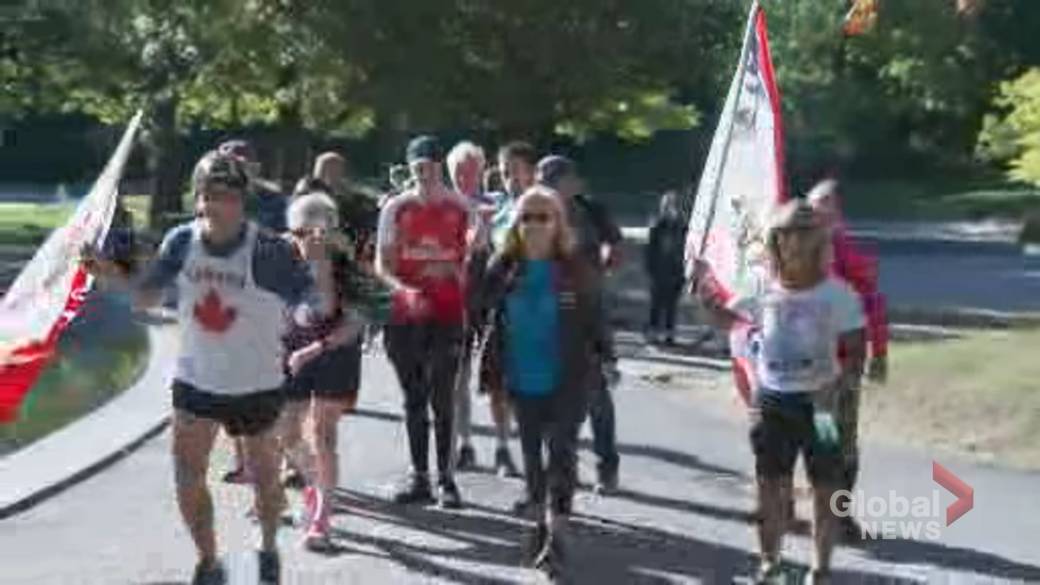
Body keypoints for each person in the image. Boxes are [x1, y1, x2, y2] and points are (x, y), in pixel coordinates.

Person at [81, 150, 336, 585]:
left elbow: (316, 307)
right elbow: (147, 296)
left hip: (256, 382)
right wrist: (108, 273)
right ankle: (209, 561)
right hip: (196, 379)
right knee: (186, 474)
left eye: (228, 195)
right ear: (198, 197)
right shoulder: (182, 241)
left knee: (265, 478)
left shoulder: (269, 251)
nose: (218, 205)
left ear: (242, 200)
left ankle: (268, 547)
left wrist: (317, 266)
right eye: (209, 195)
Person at [691, 200, 867, 585]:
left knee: (826, 488)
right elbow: (728, 319)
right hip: (773, 402)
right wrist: (705, 300)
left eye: (806, 232)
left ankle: (820, 568)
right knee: (771, 486)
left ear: (820, 241)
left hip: (822, 408)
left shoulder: (839, 294)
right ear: (776, 240)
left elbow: (856, 349)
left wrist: (839, 391)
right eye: (789, 232)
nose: (797, 241)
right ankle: (769, 563)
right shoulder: (761, 288)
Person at [475, 187, 604, 574]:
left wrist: (607, 357)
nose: (533, 225)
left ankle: (557, 531)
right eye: (526, 217)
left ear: (558, 223)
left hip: (569, 376)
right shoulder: (504, 264)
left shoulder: (574, 266)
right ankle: (537, 522)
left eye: (542, 217)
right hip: (520, 374)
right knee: (532, 453)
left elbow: (595, 316)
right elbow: (478, 302)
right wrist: (478, 248)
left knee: (561, 451)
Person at [375, 135, 471, 508]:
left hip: (447, 313)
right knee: (413, 397)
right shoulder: (396, 209)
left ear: (440, 168)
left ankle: (448, 482)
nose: (425, 175)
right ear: (410, 170)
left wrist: (461, 270)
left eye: (431, 167)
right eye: (418, 169)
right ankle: (420, 478)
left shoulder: (460, 207)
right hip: (405, 315)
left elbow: (472, 259)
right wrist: (403, 289)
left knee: (442, 396)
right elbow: (383, 264)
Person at [278, 190, 365, 550]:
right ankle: (317, 484)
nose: (302, 242)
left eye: (310, 233)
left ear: (327, 231)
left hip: (334, 352)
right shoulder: (284, 260)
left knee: (323, 432)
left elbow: (350, 321)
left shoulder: (347, 266)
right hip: (294, 350)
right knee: (284, 431)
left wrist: (321, 267)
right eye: (297, 233)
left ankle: (322, 518)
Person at [807, 178, 889, 540]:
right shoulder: (796, 252)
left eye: (824, 205)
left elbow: (872, 302)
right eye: (813, 206)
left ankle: (837, 512)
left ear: (836, 210)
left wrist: (881, 351)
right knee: (822, 438)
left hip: (846, 364)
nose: (817, 213)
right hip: (812, 366)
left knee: (845, 443)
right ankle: (821, 512)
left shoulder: (849, 254)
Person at [536, 155, 623, 495]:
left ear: (571, 181)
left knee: (597, 391)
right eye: (546, 181)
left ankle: (607, 466)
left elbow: (615, 247)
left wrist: (603, 267)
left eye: (557, 180)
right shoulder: (534, 212)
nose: (552, 187)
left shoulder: (590, 210)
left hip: (588, 308)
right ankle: (557, 468)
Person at [474, 140, 542, 479]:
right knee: (498, 385)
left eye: (517, 172)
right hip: (501, 308)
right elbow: (480, 253)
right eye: (505, 173)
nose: (511, 180)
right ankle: (502, 447)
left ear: (533, 171)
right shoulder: (496, 209)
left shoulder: (549, 208)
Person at [445, 141, 492, 471]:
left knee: (461, 377)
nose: (465, 178)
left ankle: (463, 442)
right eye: (460, 171)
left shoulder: (494, 207)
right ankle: (456, 443)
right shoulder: (437, 205)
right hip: (443, 303)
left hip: (479, 305)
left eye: (472, 171)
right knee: (447, 378)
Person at [644, 190, 687, 345]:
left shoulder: (683, 227)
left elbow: (686, 248)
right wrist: (650, 269)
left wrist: (685, 271)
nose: (672, 208)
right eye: (669, 205)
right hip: (659, 270)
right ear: (663, 206)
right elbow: (650, 250)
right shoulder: (657, 225)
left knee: (671, 305)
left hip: (676, 270)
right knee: (656, 303)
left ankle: (670, 333)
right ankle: (653, 332)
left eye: (675, 205)